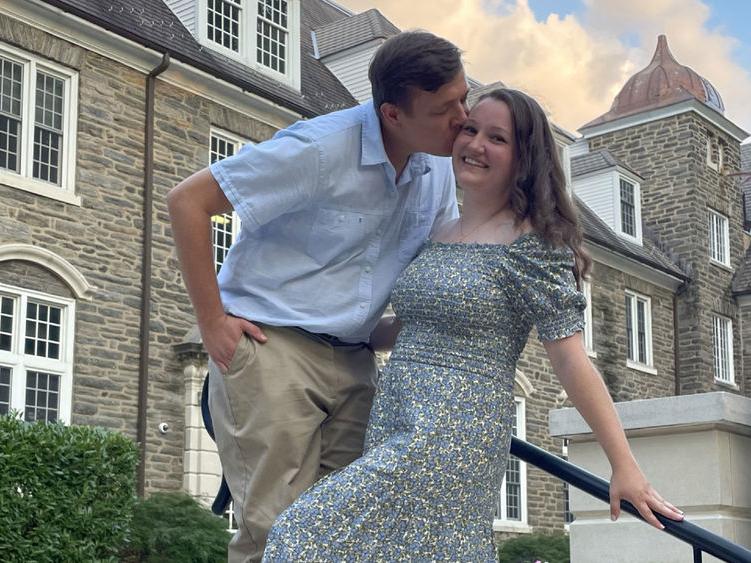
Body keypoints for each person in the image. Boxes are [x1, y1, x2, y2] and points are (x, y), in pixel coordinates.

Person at [262, 88, 685, 561]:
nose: (476, 144)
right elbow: (406, 329)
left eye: (497, 138)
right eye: (471, 129)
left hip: (453, 432)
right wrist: (293, 326)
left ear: (524, 158)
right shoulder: (439, 229)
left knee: (303, 532)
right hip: (396, 417)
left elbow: (570, 359)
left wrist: (623, 465)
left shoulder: (534, 246)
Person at [167, 31, 468, 562]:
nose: (463, 117)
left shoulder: (438, 165)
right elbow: (188, 201)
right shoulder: (320, 147)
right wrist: (213, 323)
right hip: (271, 347)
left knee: (346, 535)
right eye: (446, 108)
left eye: (464, 98)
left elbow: (437, 261)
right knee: (274, 532)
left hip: (356, 358)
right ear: (393, 114)